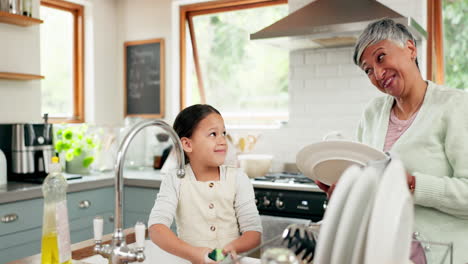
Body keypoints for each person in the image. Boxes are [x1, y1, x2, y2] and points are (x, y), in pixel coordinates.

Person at [317, 18, 468, 263]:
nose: (377, 73)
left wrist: (412, 184)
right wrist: (346, 190)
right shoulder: (373, 113)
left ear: (410, 49)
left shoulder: (455, 106)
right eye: (367, 70)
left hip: (444, 255)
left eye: (380, 57)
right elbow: (372, 187)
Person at [148, 104, 262, 264]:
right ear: (187, 144)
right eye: (213, 134)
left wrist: (231, 248)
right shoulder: (175, 179)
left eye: (223, 133)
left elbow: (253, 233)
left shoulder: (238, 178)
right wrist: (194, 254)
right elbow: (156, 229)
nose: (222, 140)